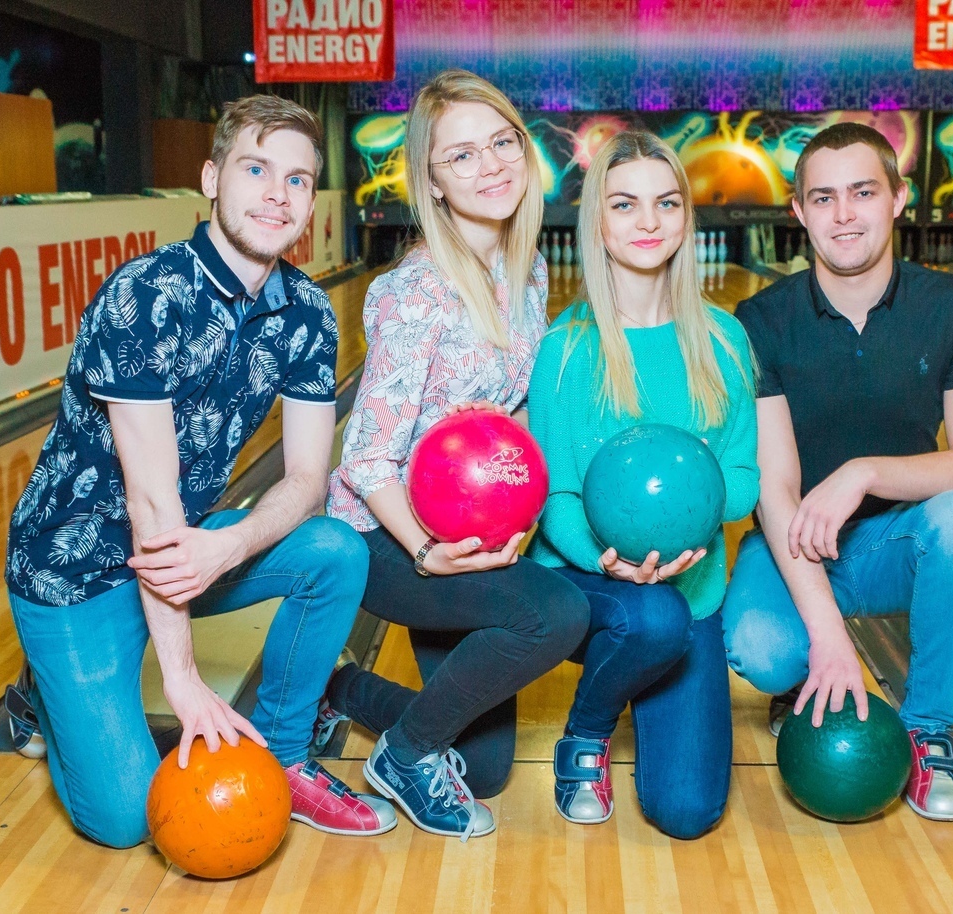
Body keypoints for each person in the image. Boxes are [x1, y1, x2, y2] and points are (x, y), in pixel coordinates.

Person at [4, 95, 395, 848]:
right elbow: (151, 501)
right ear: (212, 178)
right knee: (124, 822)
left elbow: (308, 478)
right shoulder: (144, 297)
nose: (278, 194)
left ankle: (283, 758)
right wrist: (181, 682)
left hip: (186, 550)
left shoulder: (307, 314)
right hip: (74, 573)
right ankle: (39, 697)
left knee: (336, 551)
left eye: (298, 180)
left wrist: (230, 546)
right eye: (257, 169)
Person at [322, 69, 590, 841]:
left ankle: (334, 691)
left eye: (502, 142)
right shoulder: (416, 293)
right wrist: (425, 550)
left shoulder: (528, 267)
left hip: (466, 518)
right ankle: (404, 756)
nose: (492, 165)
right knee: (557, 612)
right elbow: (367, 459)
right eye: (462, 157)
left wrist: (505, 419)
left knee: (492, 766)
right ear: (433, 184)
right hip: (389, 537)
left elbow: (516, 401)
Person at [724, 123, 953, 822]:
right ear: (797, 212)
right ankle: (800, 681)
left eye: (862, 192)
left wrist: (864, 471)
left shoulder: (952, 305)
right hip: (791, 541)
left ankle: (927, 727)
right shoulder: (760, 319)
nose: (843, 214)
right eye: (823, 198)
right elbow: (777, 489)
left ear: (898, 198)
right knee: (762, 647)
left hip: (893, 543)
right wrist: (829, 637)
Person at [526, 131, 759, 838]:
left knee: (687, 812)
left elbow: (745, 482)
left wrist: (694, 515)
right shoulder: (565, 350)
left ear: (688, 217)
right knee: (647, 617)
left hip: (693, 588)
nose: (648, 221)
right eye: (625, 204)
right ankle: (588, 734)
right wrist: (608, 560)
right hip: (585, 585)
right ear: (597, 220)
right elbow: (556, 496)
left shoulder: (723, 341)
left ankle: (640, 679)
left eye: (666, 202)